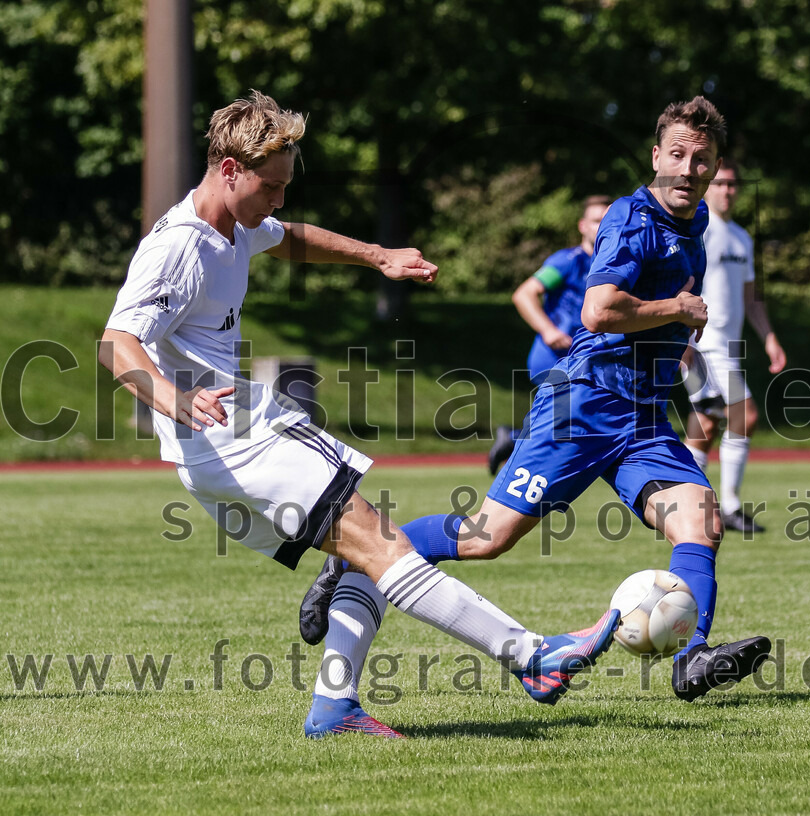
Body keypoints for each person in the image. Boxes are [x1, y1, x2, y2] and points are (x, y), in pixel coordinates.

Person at [99, 91, 620, 739]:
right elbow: (116, 343)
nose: (279, 200)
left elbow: (289, 240)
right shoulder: (179, 246)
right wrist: (176, 399)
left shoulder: (233, 224)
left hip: (222, 442)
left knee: (364, 555)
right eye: (272, 185)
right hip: (231, 437)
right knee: (379, 545)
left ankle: (333, 708)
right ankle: (532, 656)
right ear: (230, 170)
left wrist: (379, 256)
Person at [303, 97, 771, 702]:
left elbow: (655, 315)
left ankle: (692, 656)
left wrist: (677, 345)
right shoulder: (631, 219)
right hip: (584, 404)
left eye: (700, 159)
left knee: (701, 521)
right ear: (656, 157)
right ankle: (350, 554)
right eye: (676, 155)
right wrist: (679, 310)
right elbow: (598, 311)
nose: (687, 169)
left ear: (715, 166)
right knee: (487, 537)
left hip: (644, 417)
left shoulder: (697, 224)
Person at [683, 160, 787, 534]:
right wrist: (683, 340)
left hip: (729, 346)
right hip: (702, 344)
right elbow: (681, 282)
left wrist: (768, 336)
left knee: (707, 424)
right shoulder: (699, 229)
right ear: (708, 187)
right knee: (746, 415)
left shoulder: (741, 237)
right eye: (720, 184)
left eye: (732, 185)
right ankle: (727, 506)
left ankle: (688, 506)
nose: (727, 191)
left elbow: (751, 296)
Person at [487, 196, 612, 475]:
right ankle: (517, 454)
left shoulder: (612, 263)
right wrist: (548, 330)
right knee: (565, 427)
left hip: (585, 361)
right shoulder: (569, 262)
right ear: (582, 226)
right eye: (596, 220)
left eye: (608, 220)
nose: (602, 226)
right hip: (555, 358)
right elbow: (524, 293)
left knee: (568, 428)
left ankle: (515, 442)